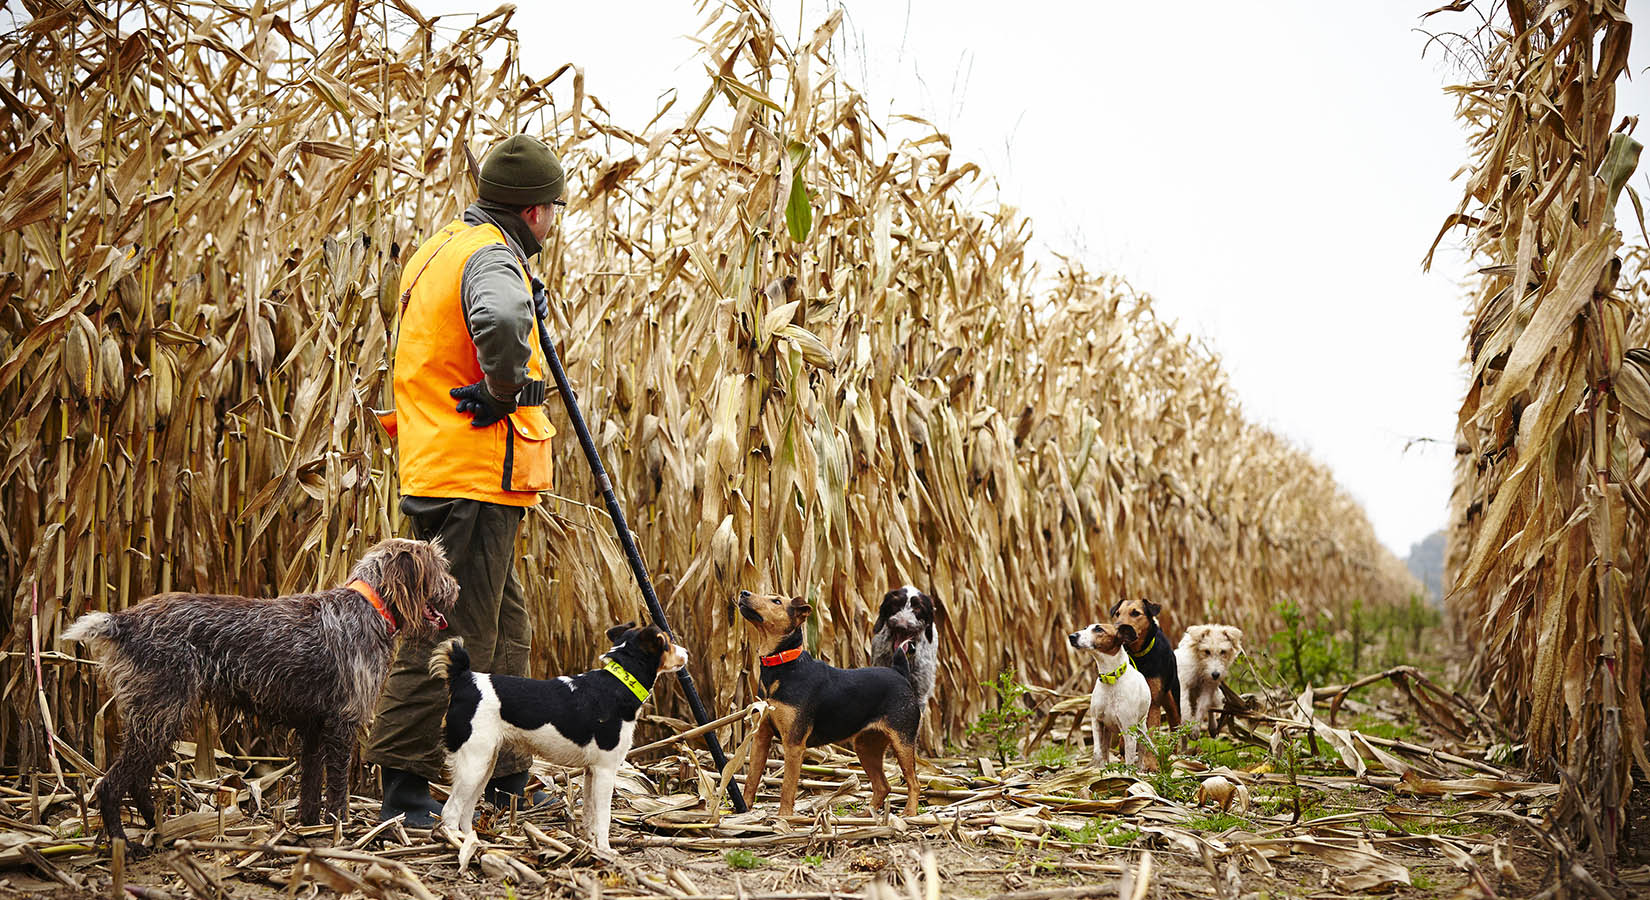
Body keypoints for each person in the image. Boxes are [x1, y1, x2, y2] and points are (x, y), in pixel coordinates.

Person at [365, 133, 567, 825]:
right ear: (536, 211)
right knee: (447, 632)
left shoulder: (444, 244)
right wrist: (506, 388)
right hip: (470, 474)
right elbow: (502, 319)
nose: (552, 224)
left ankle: (507, 777)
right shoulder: (488, 256)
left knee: (504, 629)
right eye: (553, 210)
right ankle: (406, 787)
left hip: (456, 470)